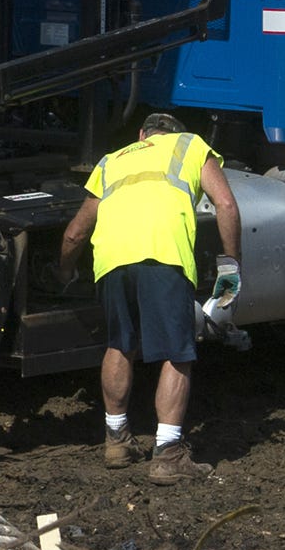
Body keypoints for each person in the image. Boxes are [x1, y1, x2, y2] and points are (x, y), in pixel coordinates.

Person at [60, 112, 240, 483]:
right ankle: (169, 454)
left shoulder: (111, 161)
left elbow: (76, 232)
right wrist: (232, 265)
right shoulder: (191, 145)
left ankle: (116, 441)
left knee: (119, 345)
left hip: (111, 260)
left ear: (143, 135)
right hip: (163, 254)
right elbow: (225, 205)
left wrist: (64, 271)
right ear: (176, 133)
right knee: (177, 352)